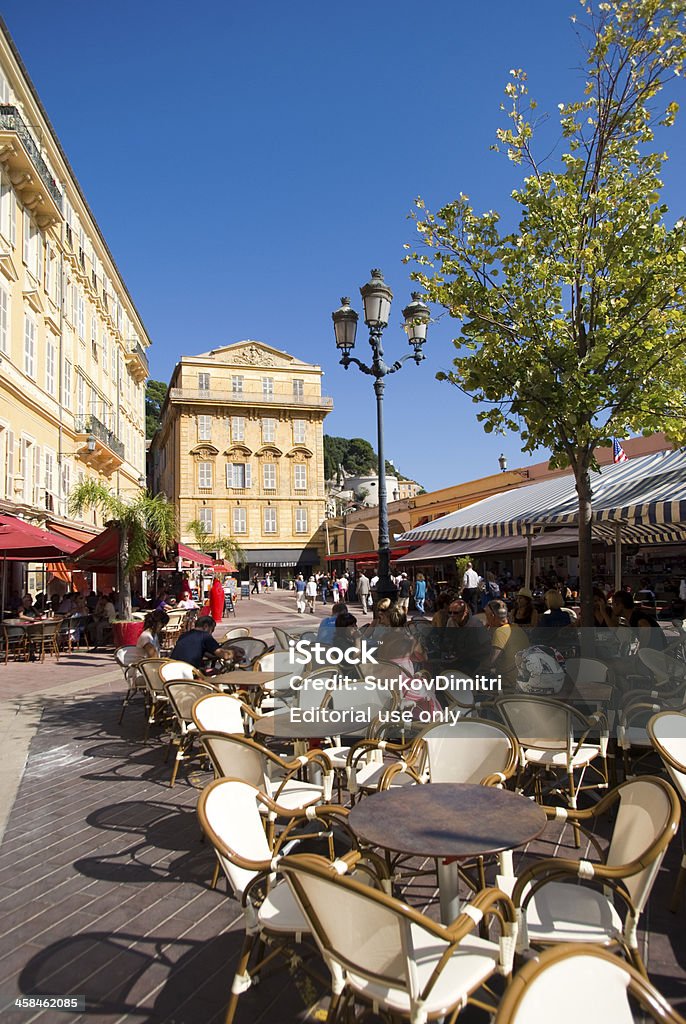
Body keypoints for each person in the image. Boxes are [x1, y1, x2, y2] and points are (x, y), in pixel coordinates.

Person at [484, 599, 530, 689]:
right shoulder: (517, 628)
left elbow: (491, 661)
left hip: (508, 685)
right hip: (523, 680)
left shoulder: (500, 632)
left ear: (492, 616)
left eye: (486, 616)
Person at [170, 615, 242, 670]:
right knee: (216, 672)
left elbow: (207, 653)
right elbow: (224, 655)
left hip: (171, 669)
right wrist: (235, 652)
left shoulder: (184, 635)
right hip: (188, 673)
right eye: (212, 630)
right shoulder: (205, 636)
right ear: (206, 626)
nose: (211, 633)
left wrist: (226, 649)